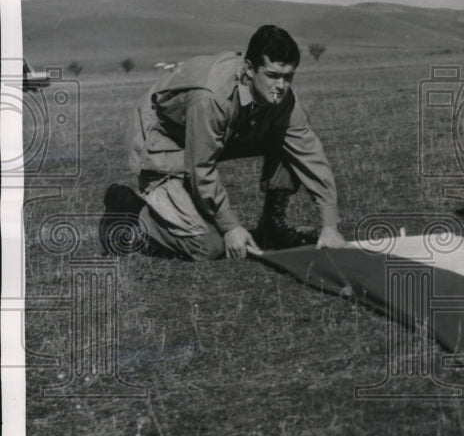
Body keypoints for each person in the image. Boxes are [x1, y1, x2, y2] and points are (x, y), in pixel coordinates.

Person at [100, 25, 347, 260]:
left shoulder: (281, 98)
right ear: (249, 69)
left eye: (288, 77)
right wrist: (231, 227)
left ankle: (272, 224)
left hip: (211, 136)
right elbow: (201, 168)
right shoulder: (211, 97)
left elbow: (308, 152)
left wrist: (329, 225)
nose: (281, 86)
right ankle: (129, 211)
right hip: (164, 140)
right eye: (273, 76)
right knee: (209, 247)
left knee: (288, 136)